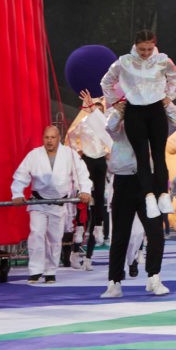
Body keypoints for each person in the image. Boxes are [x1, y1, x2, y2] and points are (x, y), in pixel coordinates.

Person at [102, 99, 176, 298]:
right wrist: (121, 110)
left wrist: (166, 104)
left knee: (155, 232)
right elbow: (109, 128)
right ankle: (114, 282)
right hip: (124, 180)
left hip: (150, 183)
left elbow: (173, 123)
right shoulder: (122, 123)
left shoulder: (155, 125)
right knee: (120, 234)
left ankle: (154, 277)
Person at [99, 31, 176, 220]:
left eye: (148, 48)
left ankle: (163, 195)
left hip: (156, 110)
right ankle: (148, 197)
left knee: (158, 155)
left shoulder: (162, 60)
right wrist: (114, 101)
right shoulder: (124, 62)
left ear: (154, 45)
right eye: (141, 49)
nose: (145, 53)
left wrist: (169, 97)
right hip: (134, 112)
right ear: (135, 46)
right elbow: (106, 81)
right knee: (142, 157)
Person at [10, 123, 90, 284]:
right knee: (36, 234)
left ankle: (50, 271)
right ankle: (35, 270)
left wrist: (85, 190)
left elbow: (81, 173)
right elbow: (21, 175)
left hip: (59, 203)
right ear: (43, 139)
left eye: (53, 137)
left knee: (54, 238)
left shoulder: (69, 154)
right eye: (46, 137)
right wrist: (17, 193)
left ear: (59, 138)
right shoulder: (34, 155)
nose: (50, 141)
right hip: (38, 202)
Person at [67, 91, 113, 247]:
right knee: (84, 192)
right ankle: (80, 227)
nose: (97, 111)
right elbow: (72, 136)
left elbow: (112, 140)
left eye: (100, 109)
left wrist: (108, 152)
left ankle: (98, 227)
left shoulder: (106, 125)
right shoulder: (83, 123)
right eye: (95, 108)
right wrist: (77, 150)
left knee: (99, 193)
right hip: (86, 159)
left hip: (100, 159)